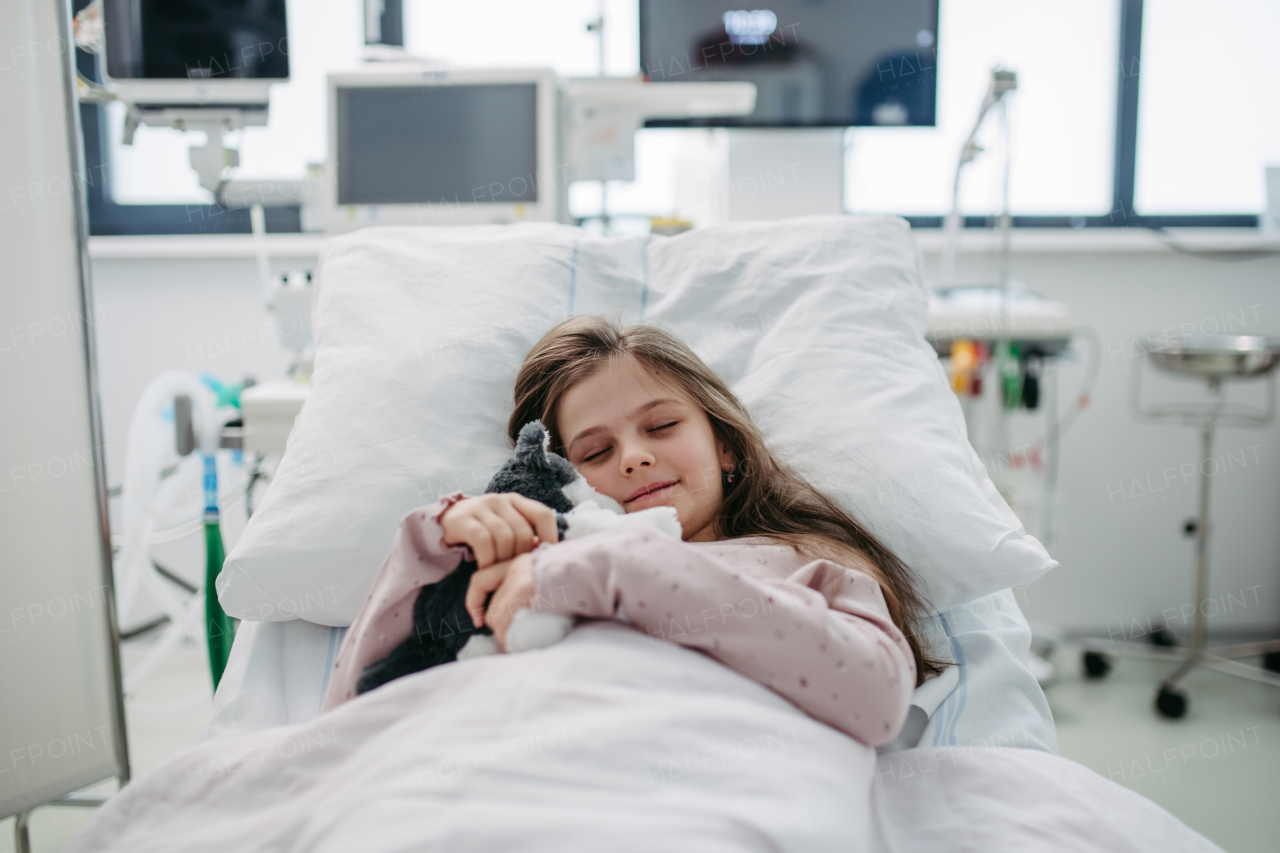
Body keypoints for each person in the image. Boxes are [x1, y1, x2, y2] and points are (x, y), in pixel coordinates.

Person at [322, 316, 944, 746]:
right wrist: (436, 540)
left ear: (725, 444)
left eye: (662, 426)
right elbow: (355, 712)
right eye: (595, 453)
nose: (633, 458)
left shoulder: (802, 564)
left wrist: (615, 573)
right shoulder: (536, 555)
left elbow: (876, 699)